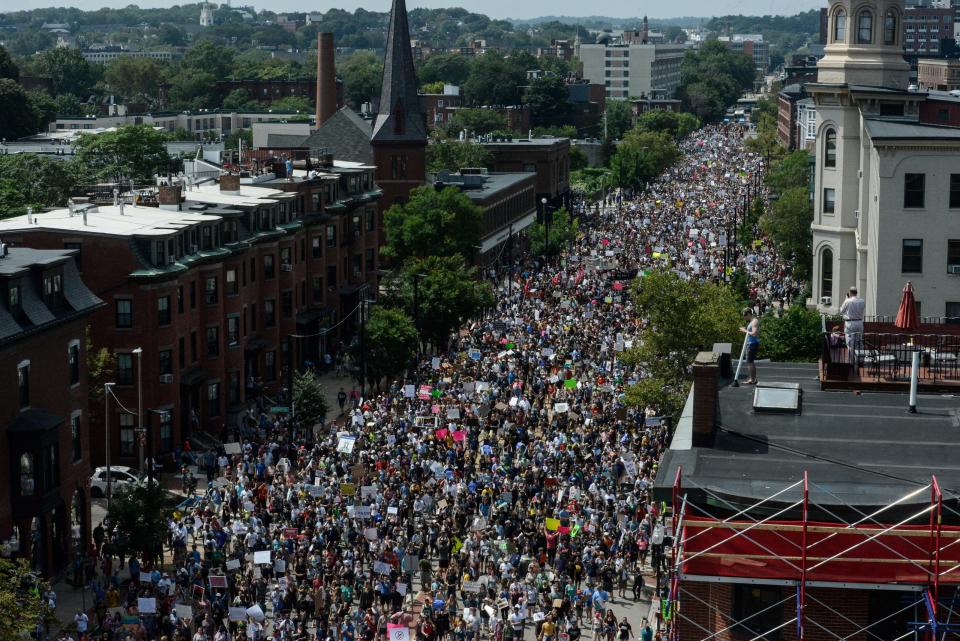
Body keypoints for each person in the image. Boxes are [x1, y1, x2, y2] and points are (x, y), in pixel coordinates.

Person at [840, 286, 865, 363]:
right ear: (856, 293)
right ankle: (860, 361)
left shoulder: (848, 301)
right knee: (859, 342)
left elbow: (841, 311)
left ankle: (852, 362)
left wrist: (846, 299)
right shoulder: (862, 301)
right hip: (859, 323)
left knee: (850, 343)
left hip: (850, 323)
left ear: (850, 293)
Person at [740, 308, 760, 385]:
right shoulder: (752, 321)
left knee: (750, 362)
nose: (744, 318)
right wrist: (746, 329)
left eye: (744, 316)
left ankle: (752, 379)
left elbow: (754, 333)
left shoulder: (754, 322)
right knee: (750, 362)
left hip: (752, 344)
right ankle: (753, 378)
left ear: (748, 314)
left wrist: (744, 331)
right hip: (751, 343)